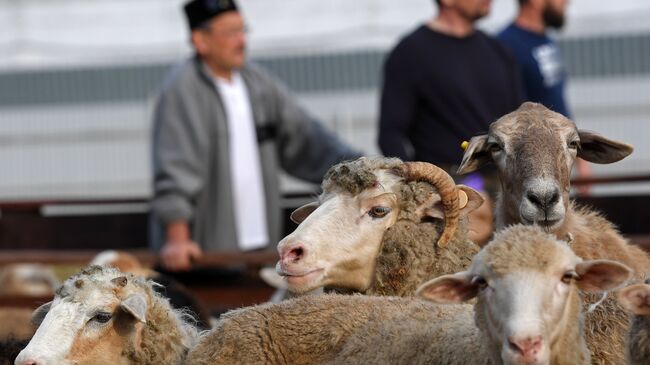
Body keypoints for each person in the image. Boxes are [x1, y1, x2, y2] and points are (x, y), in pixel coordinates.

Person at [151, 0, 361, 271]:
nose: (241, 41)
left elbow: (306, 137)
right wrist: (177, 239)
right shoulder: (182, 90)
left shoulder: (257, 83)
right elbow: (175, 170)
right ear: (200, 40)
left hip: (261, 249)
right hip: (206, 255)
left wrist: (359, 169)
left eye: (243, 30)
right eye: (230, 33)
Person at [378, 0, 525, 244]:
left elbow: (520, 123)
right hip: (447, 197)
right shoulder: (411, 53)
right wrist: (423, 191)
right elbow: (390, 133)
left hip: (506, 190)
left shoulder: (499, 52)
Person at [497, 0, 591, 193]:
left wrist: (580, 160)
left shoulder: (546, 40)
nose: (566, 2)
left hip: (556, 166)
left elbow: (557, 103)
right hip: (529, 176)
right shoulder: (505, 46)